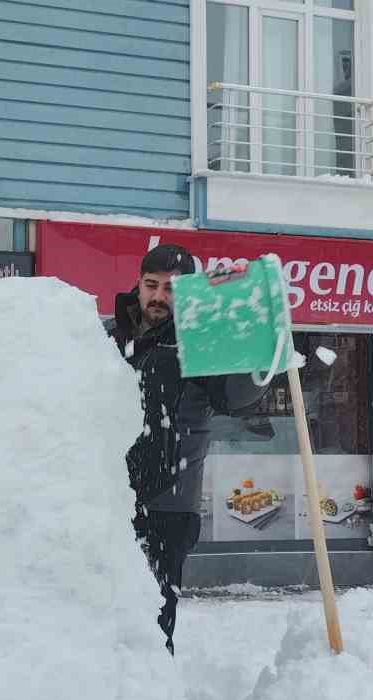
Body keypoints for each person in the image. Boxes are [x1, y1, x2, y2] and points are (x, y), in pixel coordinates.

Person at [111, 245, 269, 655]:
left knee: (153, 616)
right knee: (105, 608)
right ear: (139, 284)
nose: (159, 297)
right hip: (109, 496)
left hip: (169, 500)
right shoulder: (112, 337)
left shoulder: (200, 342)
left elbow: (237, 398)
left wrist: (258, 354)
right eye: (152, 285)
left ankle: (152, 697)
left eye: (172, 289)